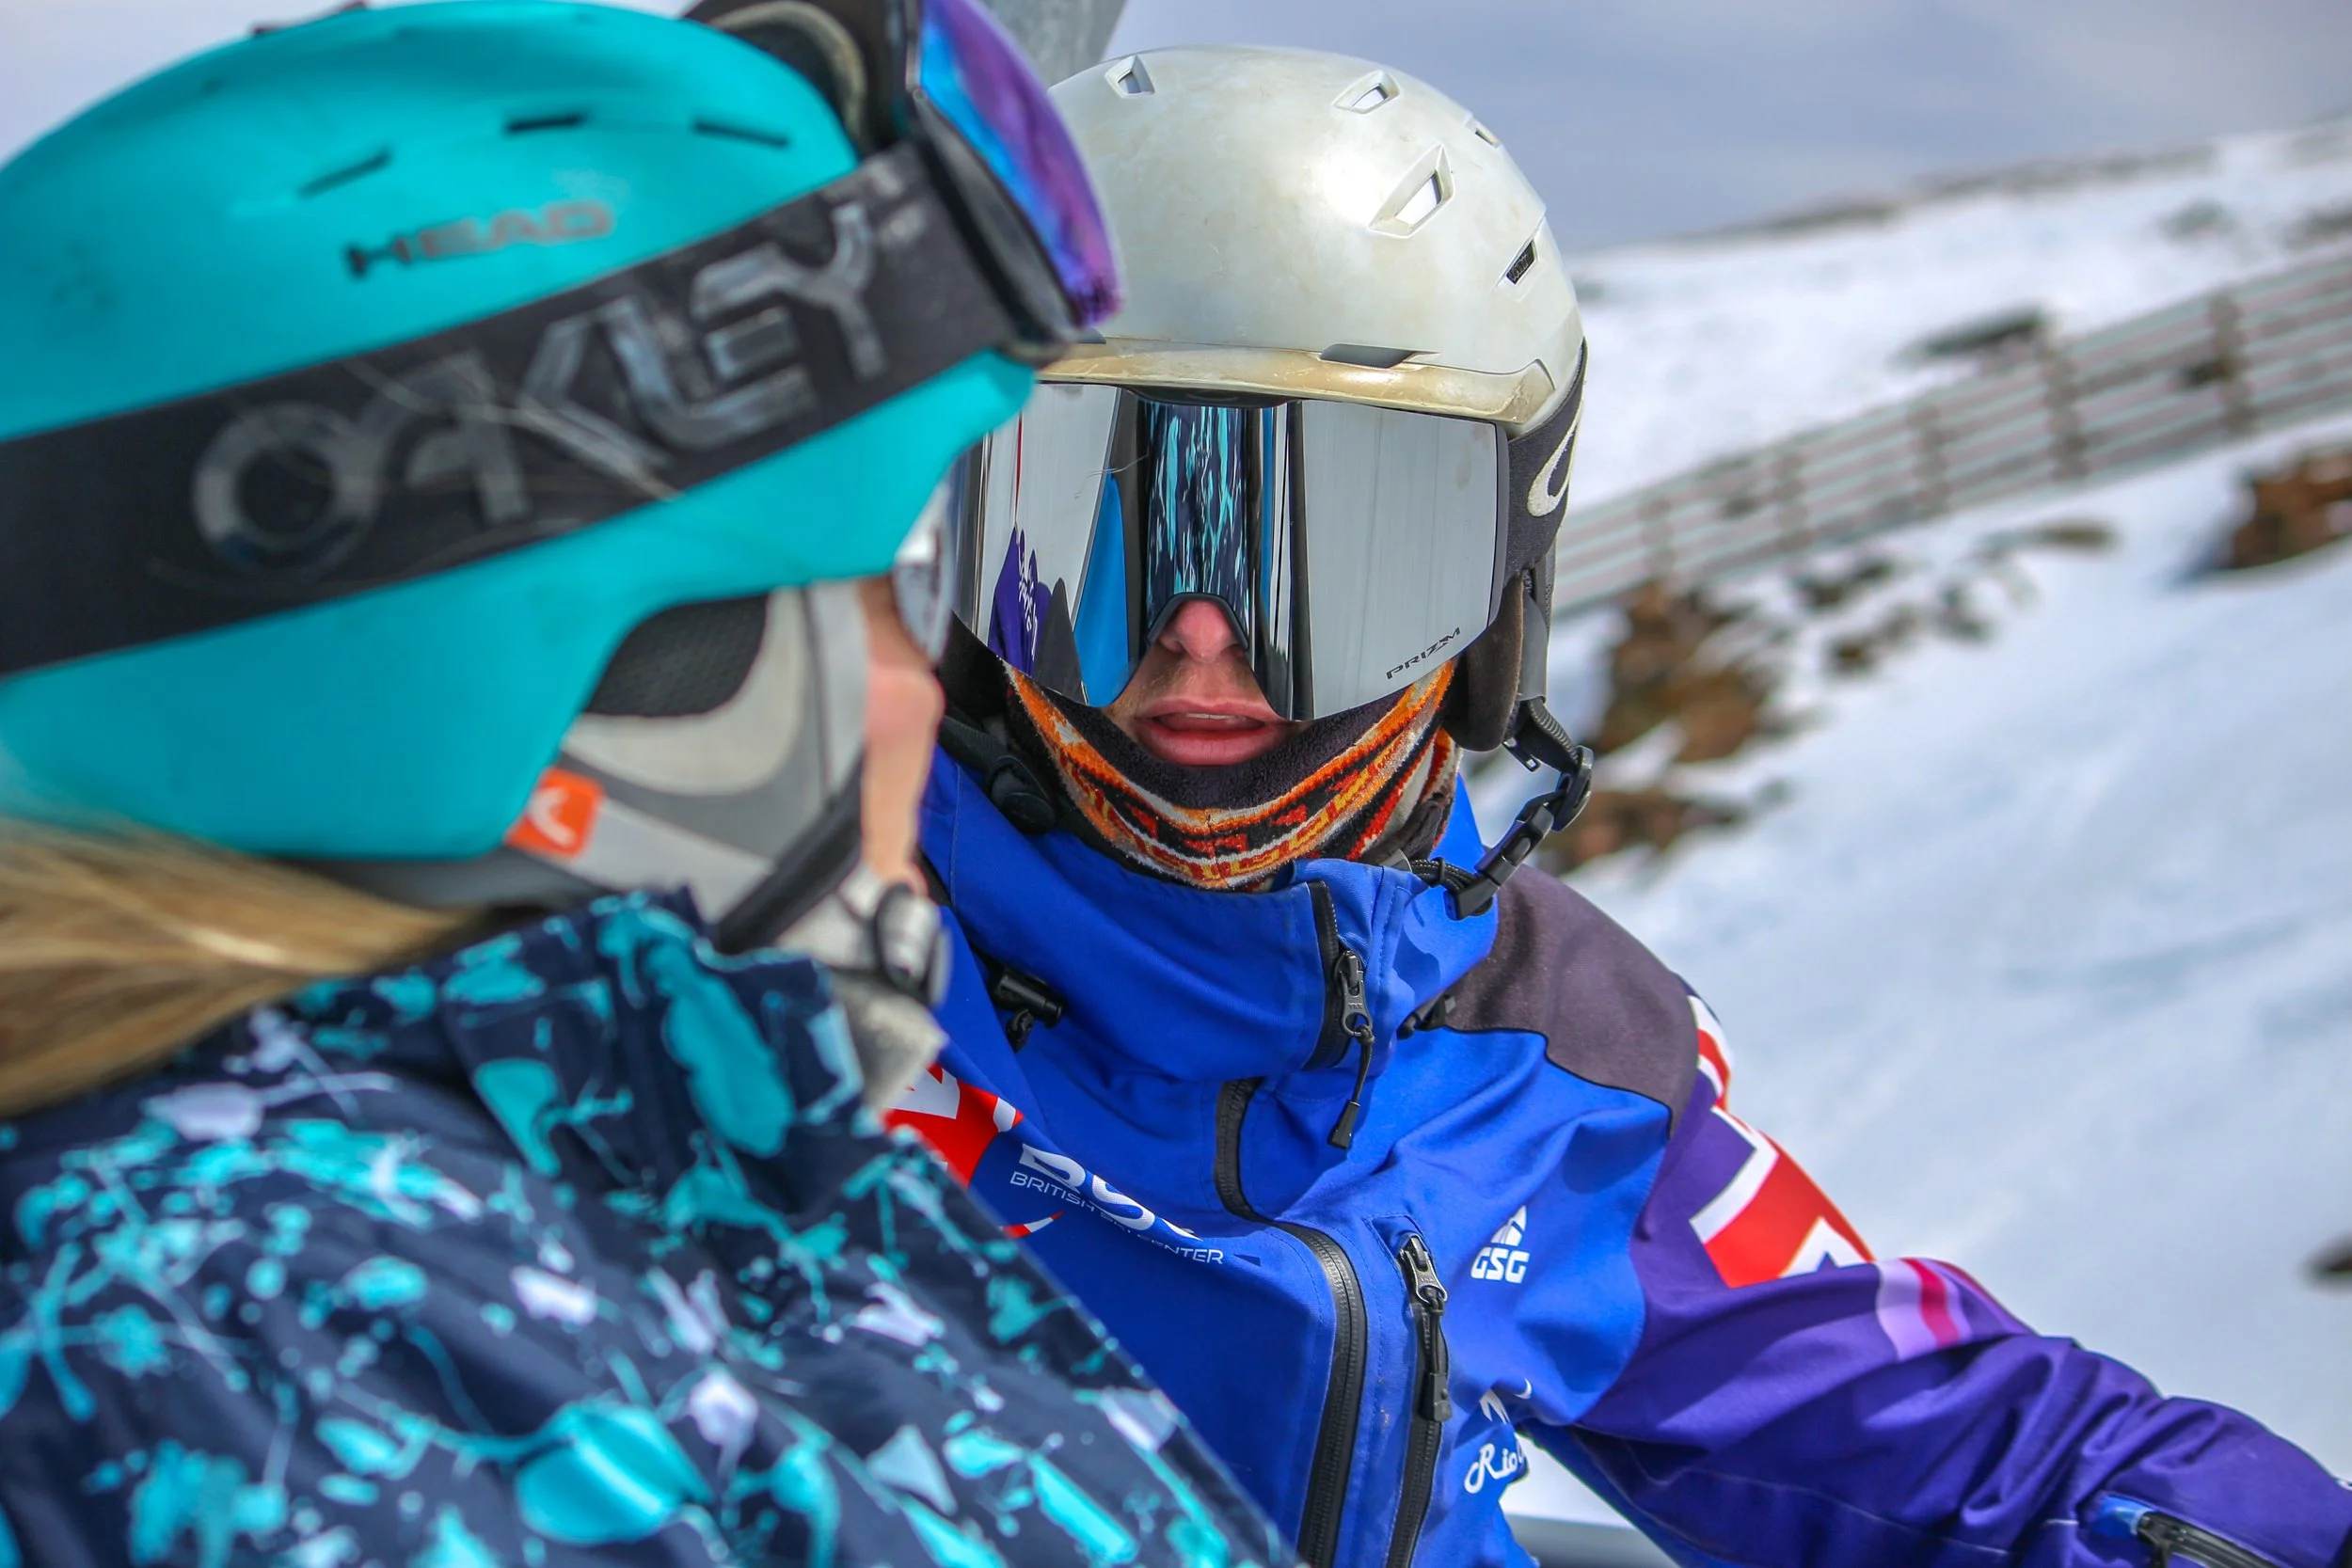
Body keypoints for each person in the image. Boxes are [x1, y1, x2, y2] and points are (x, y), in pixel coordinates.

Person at [887, 43, 2352, 1568]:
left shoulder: (1557, 1054)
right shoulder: (771, 956)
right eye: (1095, 539)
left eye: (1323, 558)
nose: (1200, 638)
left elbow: (1963, 1443)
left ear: (1491, 594)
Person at [0, 7, 1295, 1565]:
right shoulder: (253, 1361)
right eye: (886, 589)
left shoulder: (568, 1193)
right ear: (595, 681)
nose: (919, 693)